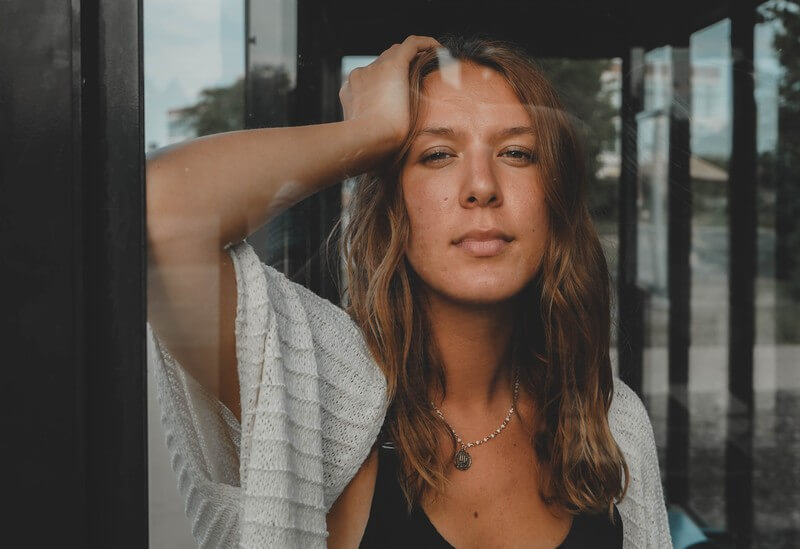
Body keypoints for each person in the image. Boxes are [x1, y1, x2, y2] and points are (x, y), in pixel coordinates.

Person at [146, 35, 672, 548]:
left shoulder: (611, 422)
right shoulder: (323, 394)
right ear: (391, 207)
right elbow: (158, 211)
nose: (482, 185)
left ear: (551, 202)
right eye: (438, 154)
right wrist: (371, 131)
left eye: (516, 152)